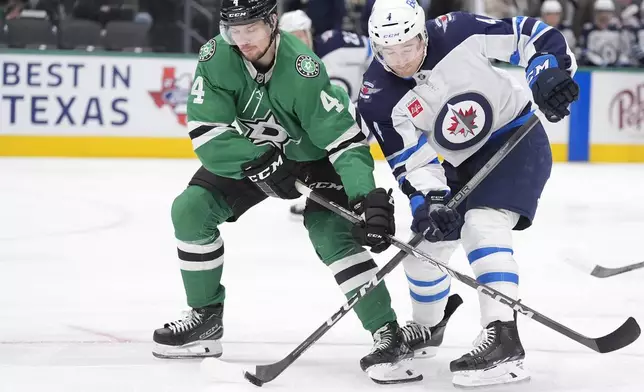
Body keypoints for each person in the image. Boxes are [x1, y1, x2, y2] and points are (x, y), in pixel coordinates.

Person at [151, 0, 427, 384]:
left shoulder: (303, 69)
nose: (242, 39)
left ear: (272, 23)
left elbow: (345, 142)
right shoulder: (215, 57)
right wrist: (257, 160)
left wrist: (365, 198)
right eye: (235, 29)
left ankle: (387, 333)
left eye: (252, 29)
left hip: (314, 160)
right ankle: (205, 319)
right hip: (255, 155)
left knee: (330, 232)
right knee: (190, 210)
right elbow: (207, 132)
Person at [359, 0, 578, 387]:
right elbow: (410, 160)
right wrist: (431, 200)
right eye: (389, 52)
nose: (401, 60)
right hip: (454, 166)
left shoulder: (458, 31)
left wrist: (547, 71)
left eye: (407, 47)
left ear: (422, 34)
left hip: (515, 140)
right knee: (422, 251)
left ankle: (504, 338)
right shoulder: (377, 95)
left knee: (483, 223)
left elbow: (529, 35)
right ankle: (427, 328)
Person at [278, 10, 374, 218]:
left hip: (363, 111)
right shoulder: (286, 68)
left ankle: (361, 199)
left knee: (345, 148)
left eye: (302, 34)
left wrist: (374, 89)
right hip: (334, 119)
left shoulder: (336, 43)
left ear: (310, 33)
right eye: (292, 37)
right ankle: (336, 196)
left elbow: (376, 50)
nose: (300, 42)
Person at [578, 0, 628, 66]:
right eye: (600, 12)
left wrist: (620, 61)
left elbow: (625, 51)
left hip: (616, 69)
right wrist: (598, 61)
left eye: (607, 12)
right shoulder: (588, 30)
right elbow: (583, 50)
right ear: (595, 13)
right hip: (594, 68)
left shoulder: (618, 30)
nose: (604, 15)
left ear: (612, 13)